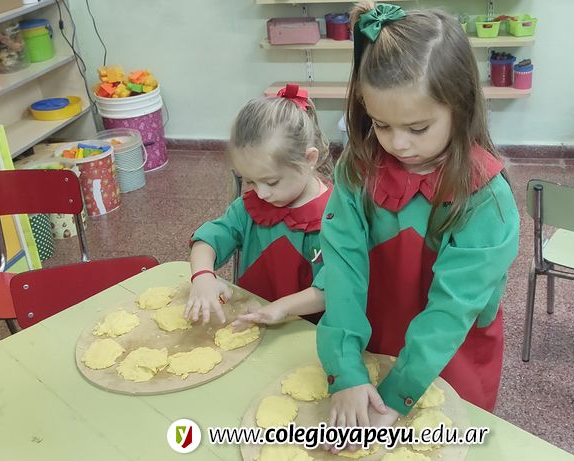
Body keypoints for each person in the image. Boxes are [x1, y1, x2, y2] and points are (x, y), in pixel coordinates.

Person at [316, 2, 521, 434]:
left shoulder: (486, 197)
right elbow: (342, 271)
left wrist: (400, 391)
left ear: (461, 106)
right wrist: (345, 368)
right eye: (381, 125)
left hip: (448, 353)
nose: (398, 144)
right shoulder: (357, 169)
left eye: (418, 128)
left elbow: (451, 310)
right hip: (374, 336)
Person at [186, 85, 331, 328]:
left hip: (306, 332)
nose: (261, 194)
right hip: (252, 322)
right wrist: (202, 276)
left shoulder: (334, 217)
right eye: (250, 181)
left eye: (271, 182)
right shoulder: (250, 208)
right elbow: (207, 240)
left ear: (309, 160)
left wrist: (282, 308)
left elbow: (333, 287)